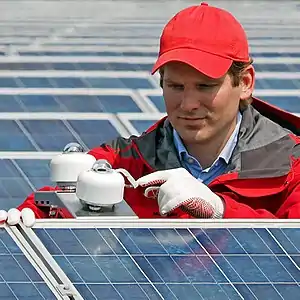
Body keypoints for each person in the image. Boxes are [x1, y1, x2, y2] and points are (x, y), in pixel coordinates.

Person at [1, 2, 300, 227]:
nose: (188, 103)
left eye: (205, 86)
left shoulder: (291, 166)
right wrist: (27, 224)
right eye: (176, 86)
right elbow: (51, 204)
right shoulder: (123, 163)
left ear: (245, 83)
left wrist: (221, 211)